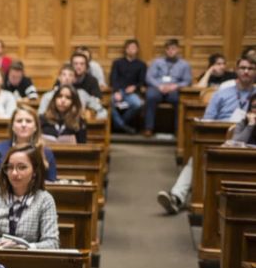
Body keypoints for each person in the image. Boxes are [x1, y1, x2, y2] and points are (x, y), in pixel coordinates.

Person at [157, 56, 255, 214]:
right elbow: (207, 120)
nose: (246, 72)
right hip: (219, 137)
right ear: (236, 70)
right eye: (243, 68)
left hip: (249, 141)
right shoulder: (221, 93)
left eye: (250, 69)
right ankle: (176, 197)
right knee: (196, 159)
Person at [0, 145, 59, 249]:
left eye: (22, 167)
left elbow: (52, 243)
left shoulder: (45, 200)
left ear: (35, 171)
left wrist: (25, 247)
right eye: (10, 167)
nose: (14, 173)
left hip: (26, 260)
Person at [0, 107, 57, 182]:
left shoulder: (46, 152)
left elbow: (52, 182)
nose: (23, 125)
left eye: (28, 121)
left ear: (35, 127)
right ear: (12, 126)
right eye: (19, 121)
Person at [143, 38, 192, 136]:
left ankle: (178, 130)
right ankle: (149, 128)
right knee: (150, 96)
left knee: (179, 100)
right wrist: (159, 86)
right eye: (168, 49)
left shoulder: (184, 64)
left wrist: (176, 86)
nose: (171, 51)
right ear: (165, 50)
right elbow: (149, 77)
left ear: (177, 50)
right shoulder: (157, 62)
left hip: (174, 89)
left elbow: (187, 80)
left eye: (173, 49)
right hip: (158, 88)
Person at [39, 64, 107, 120]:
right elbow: (40, 115)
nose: (67, 78)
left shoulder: (82, 94)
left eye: (70, 75)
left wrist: (92, 122)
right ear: (59, 78)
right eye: (64, 75)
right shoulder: (48, 96)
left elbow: (102, 111)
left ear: (74, 79)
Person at [109, 38, 147, 134]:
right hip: (118, 91)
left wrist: (135, 87)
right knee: (108, 103)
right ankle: (123, 126)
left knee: (138, 104)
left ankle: (119, 125)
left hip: (132, 93)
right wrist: (117, 91)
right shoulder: (117, 63)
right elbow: (113, 78)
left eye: (134, 47)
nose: (131, 49)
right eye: (129, 47)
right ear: (126, 49)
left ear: (137, 49)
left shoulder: (141, 65)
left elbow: (142, 82)